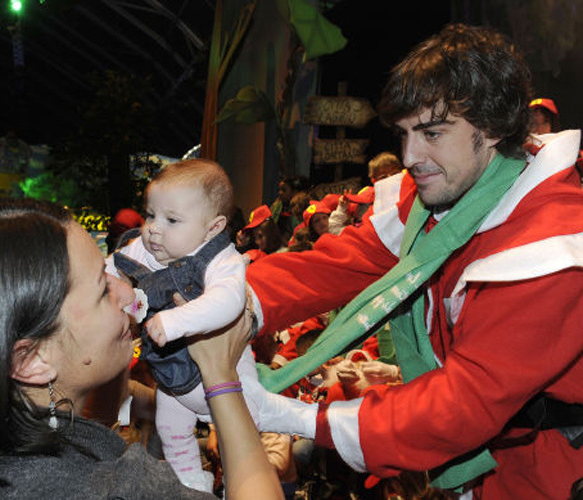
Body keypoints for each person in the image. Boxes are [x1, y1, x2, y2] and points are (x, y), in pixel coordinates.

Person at [246, 24, 583, 498]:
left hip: (545, 474)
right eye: (404, 134)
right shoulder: (450, 186)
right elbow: (345, 261)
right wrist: (231, 299)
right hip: (481, 463)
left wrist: (294, 417)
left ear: (493, 127)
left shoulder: (553, 247)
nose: (409, 156)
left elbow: (461, 405)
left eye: (432, 133)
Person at [0, 199, 283, 499]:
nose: (129, 292)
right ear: (29, 359)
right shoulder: (92, 488)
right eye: (102, 289)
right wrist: (221, 378)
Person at [107, 160, 301, 492]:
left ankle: (238, 483)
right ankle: (192, 485)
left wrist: (175, 320)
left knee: (237, 433)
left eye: (171, 220)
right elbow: (112, 267)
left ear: (212, 228)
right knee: (170, 428)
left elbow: (228, 301)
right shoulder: (146, 245)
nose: (154, 228)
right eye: (150, 215)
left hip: (226, 377)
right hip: (176, 380)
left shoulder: (220, 259)